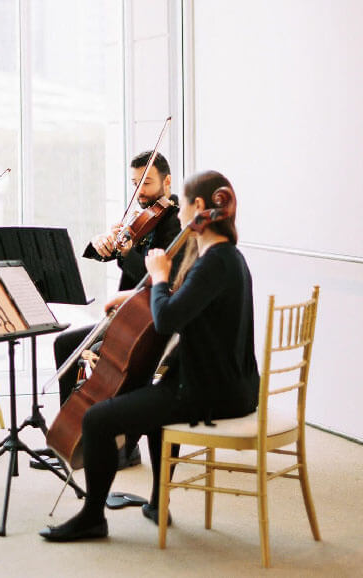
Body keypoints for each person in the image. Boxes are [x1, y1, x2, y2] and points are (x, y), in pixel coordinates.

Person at [39, 170, 259, 541]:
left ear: (199, 208)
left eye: (185, 206)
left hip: (206, 393)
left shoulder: (212, 262)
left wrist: (156, 275)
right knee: (154, 405)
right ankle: (158, 501)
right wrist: (133, 297)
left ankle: (93, 517)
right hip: (233, 386)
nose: (181, 212)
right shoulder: (227, 257)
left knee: (97, 418)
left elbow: (168, 317)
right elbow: (181, 300)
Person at [41, 151, 181, 471]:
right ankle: (72, 432)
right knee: (66, 345)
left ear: (167, 182)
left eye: (146, 183)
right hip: (127, 316)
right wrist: (102, 241)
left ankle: (126, 445)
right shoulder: (141, 218)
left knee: (118, 362)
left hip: (150, 322)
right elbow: (100, 255)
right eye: (135, 184)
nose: (140, 191)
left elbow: (155, 280)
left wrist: (128, 252)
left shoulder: (174, 224)